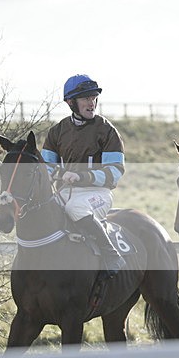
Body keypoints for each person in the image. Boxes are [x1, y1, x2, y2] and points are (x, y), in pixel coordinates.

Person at [41, 74, 126, 279]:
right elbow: (45, 167)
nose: (91, 103)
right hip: (64, 193)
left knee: (74, 208)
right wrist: (62, 174)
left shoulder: (107, 131)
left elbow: (115, 172)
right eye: (86, 98)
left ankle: (111, 254)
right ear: (71, 103)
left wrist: (81, 177)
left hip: (98, 194)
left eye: (93, 97)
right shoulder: (57, 131)